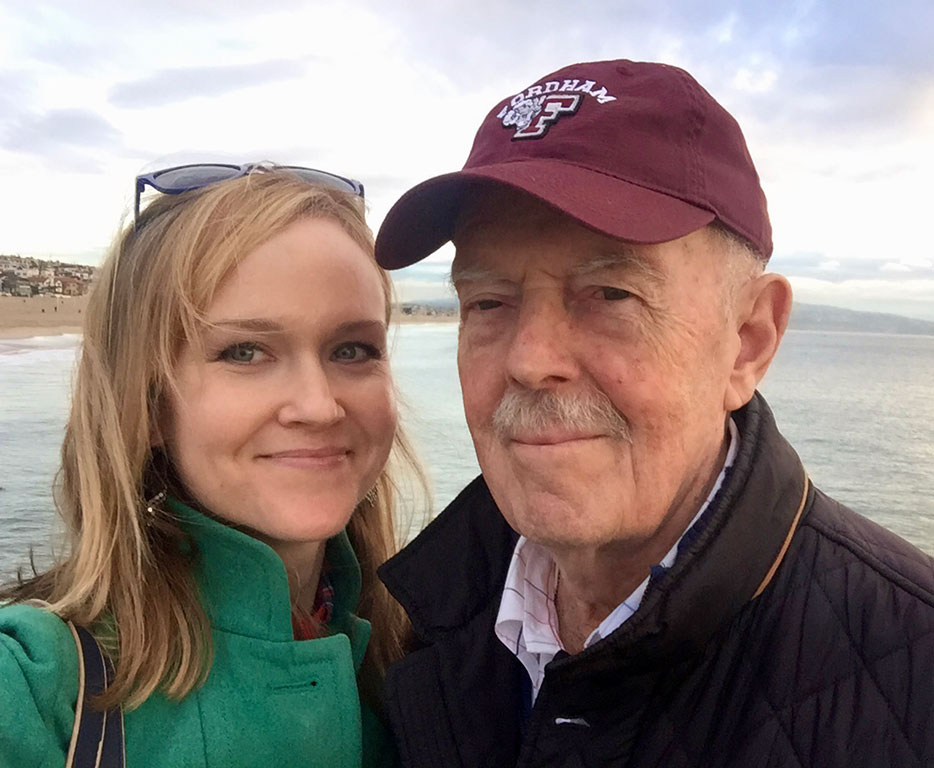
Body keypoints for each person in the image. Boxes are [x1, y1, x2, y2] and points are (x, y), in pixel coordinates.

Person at [373, 60, 934, 767]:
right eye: (488, 302)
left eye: (611, 294)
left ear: (748, 340)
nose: (530, 359)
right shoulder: (409, 626)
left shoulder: (911, 675)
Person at [0, 164, 421, 767]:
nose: (318, 406)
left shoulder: (427, 657)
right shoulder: (36, 689)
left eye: (351, 350)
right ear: (146, 404)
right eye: (244, 352)